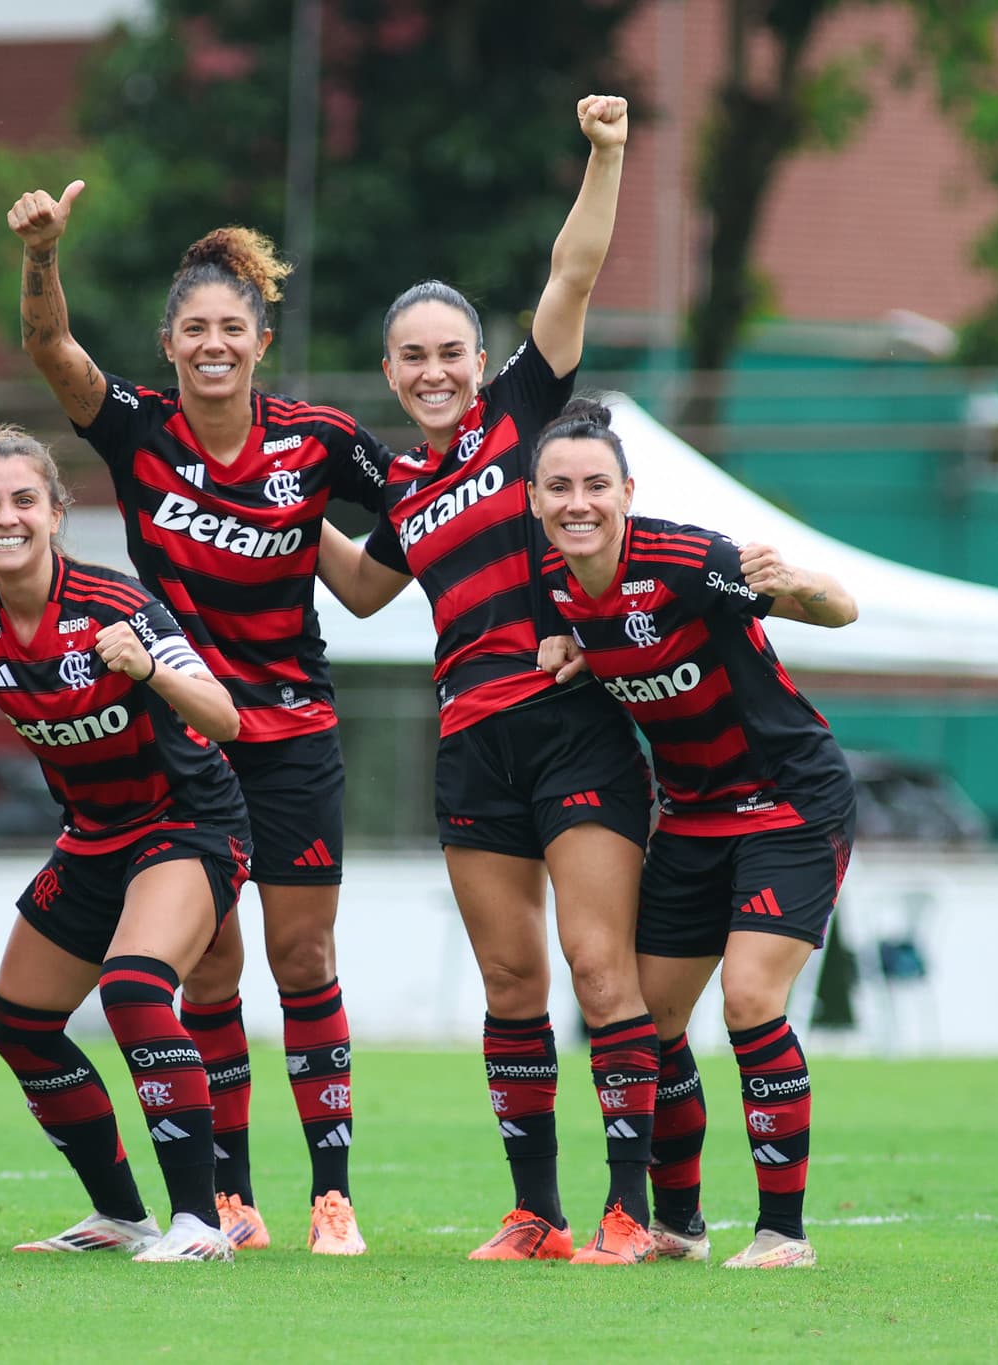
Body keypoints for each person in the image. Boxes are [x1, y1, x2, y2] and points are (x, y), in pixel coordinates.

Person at [9, 186, 389, 1254]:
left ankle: (331, 1196)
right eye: (194, 329)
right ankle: (229, 1197)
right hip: (178, 740)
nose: (213, 344)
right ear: (166, 343)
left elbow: (414, 527)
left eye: (232, 328)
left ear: (261, 341)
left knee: (302, 962)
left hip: (294, 733)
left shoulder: (317, 443)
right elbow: (48, 346)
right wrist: (42, 254)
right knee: (209, 974)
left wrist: (513, 607)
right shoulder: (135, 430)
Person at [316, 96, 662, 1264]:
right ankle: (539, 1214)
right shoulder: (405, 486)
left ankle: (626, 1209)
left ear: (479, 360)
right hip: (468, 744)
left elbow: (573, 269)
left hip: (570, 727)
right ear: (388, 371)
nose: (431, 370)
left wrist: (603, 155)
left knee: (594, 965)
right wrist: (264, 498)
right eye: (410, 357)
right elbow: (364, 592)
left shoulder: (521, 410)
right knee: (510, 979)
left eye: (448, 353)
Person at [0, 426, 251, 1263]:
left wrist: (149, 669)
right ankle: (124, 1217)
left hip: (188, 821)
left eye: (23, 500)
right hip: (94, 838)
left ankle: (199, 1224)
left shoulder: (117, 605)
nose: (6, 517)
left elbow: (225, 717)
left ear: (56, 512)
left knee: (135, 991)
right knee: (19, 1023)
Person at [528, 398, 859, 1270]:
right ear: (534, 500)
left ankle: (784, 1233)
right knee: (652, 1017)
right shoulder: (551, 581)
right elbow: (593, 638)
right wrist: (576, 647)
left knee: (750, 998)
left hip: (790, 800)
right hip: (689, 815)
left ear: (627, 491)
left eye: (596, 485)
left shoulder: (688, 559)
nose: (578, 503)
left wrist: (795, 582)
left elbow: (843, 611)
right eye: (558, 487)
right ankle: (678, 1223)